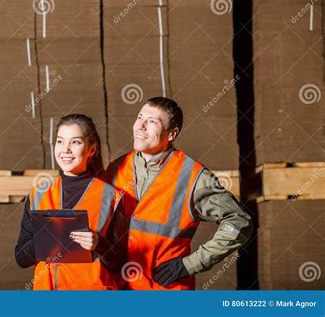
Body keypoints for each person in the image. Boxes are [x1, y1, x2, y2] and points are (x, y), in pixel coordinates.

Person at [105, 97, 253, 290]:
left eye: (151, 122)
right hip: (117, 289)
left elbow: (239, 222)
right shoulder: (116, 168)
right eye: (139, 117)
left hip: (163, 292)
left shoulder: (193, 177)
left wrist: (191, 264)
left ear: (172, 134)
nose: (140, 126)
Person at [15, 114, 127, 290]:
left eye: (75, 142)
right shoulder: (39, 194)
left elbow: (121, 264)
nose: (65, 149)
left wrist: (99, 243)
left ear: (92, 150)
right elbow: (21, 258)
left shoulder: (111, 197)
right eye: (60, 142)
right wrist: (45, 239)